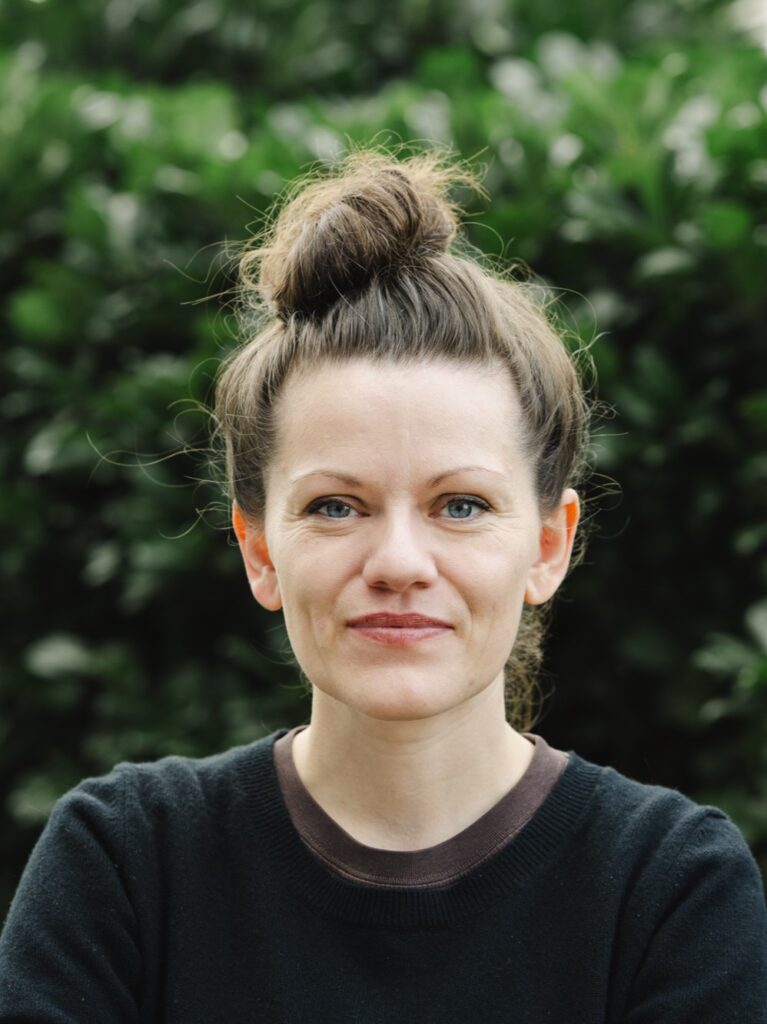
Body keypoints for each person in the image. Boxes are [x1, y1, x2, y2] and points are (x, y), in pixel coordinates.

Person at [1, 146, 765, 1023]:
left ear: (548, 546)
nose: (399, 562)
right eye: (335, 506)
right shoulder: (126, 863)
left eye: (461, 505)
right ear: (260, 551)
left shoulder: (668, 888)